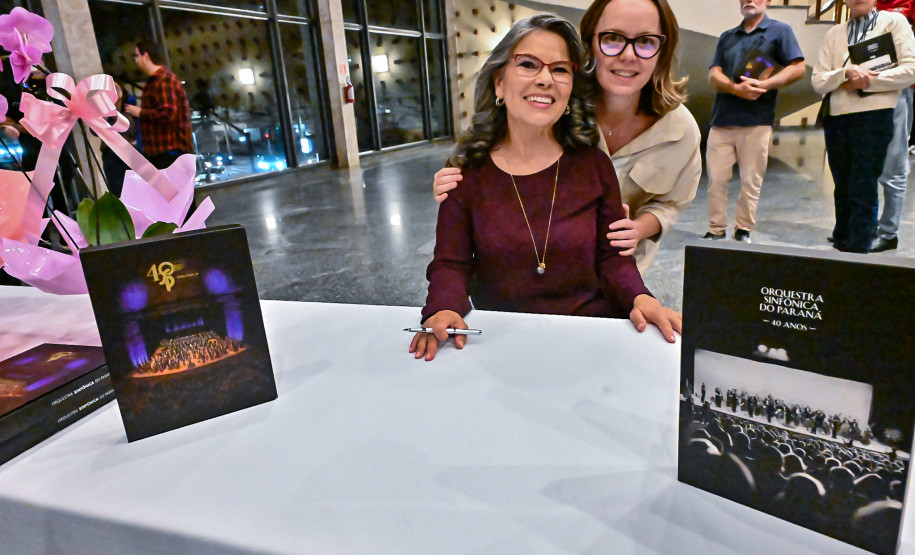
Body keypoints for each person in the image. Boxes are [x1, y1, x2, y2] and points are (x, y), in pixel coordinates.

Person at [410, 14, 681, 361]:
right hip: (504, 344)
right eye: (528, 64)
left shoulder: (594, 165)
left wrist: (641, 298)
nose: (545, 79)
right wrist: (443, 308)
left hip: (592, 338)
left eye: (560, 70)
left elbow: (612, 257)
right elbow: (451, 263)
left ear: (570, 90)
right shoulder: (467, 175)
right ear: (498, 82)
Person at [432, 0, 701, 271]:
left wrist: (639, 228)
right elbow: (498, 150)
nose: (628, 55)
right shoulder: (553, 103)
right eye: (613, 38)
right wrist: (458, 182)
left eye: (645, 41)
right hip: (541, 274)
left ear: (661, 52)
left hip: (622, 276)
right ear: (589, 45)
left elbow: (672, 203)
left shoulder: (680, 132)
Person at [812, 0, 915, 253]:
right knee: (842, 183)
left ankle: (859, 246)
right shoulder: (834, 32)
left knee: (865, 183)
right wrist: (844, 75)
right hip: (837, 117)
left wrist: (865, 82)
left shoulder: (894, 22)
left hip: (875, 114)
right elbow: (818, 80)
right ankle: (844, 236)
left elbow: (910, 70)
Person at [703, 0, 805, 244]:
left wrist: (767, 84)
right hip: (722, 120)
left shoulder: (780, 31)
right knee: (716, 180)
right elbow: (713, 75)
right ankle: (716, 229)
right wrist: (734, 88)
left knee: (751, 181)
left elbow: (798, 68)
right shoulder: (727, 37)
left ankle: (743, 230)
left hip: (757, 120)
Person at [872, 0, 914, 252]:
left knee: (895, 164)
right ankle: (864, 225)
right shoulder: (868, 5)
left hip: (900, 90)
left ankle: (889, 233)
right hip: (868, 91)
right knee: (864, 167)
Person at [124, 40, 194, 170]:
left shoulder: (163, 80)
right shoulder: (156, 80)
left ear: (146, 56)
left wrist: (139, 112)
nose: (135, 60)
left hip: (169, 152)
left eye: (136, 55)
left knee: (173, 190)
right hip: (161, 151)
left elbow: (167, 115)